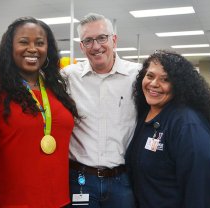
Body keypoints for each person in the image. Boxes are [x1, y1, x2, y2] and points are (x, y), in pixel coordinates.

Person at [0, 17, 80, 208]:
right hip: (10, 202)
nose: (32, 49)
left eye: (39, 43)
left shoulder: (58, 90)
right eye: (24, 42)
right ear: (10, 47)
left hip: (60, 201)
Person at [62, 13, 140, 208]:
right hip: (80, 180)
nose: (96, 46)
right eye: (88, 40)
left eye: (102, 38)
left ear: (114, 40)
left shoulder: (138, 76)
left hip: (122, 180)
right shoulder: (68, 78)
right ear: (81, 46)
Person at [126, 50, 210, 208]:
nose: (154, 83)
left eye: (165, 79)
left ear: (179, 85)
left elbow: (201, 189)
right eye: (150, 76)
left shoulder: (187, 125)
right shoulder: (146, 115)